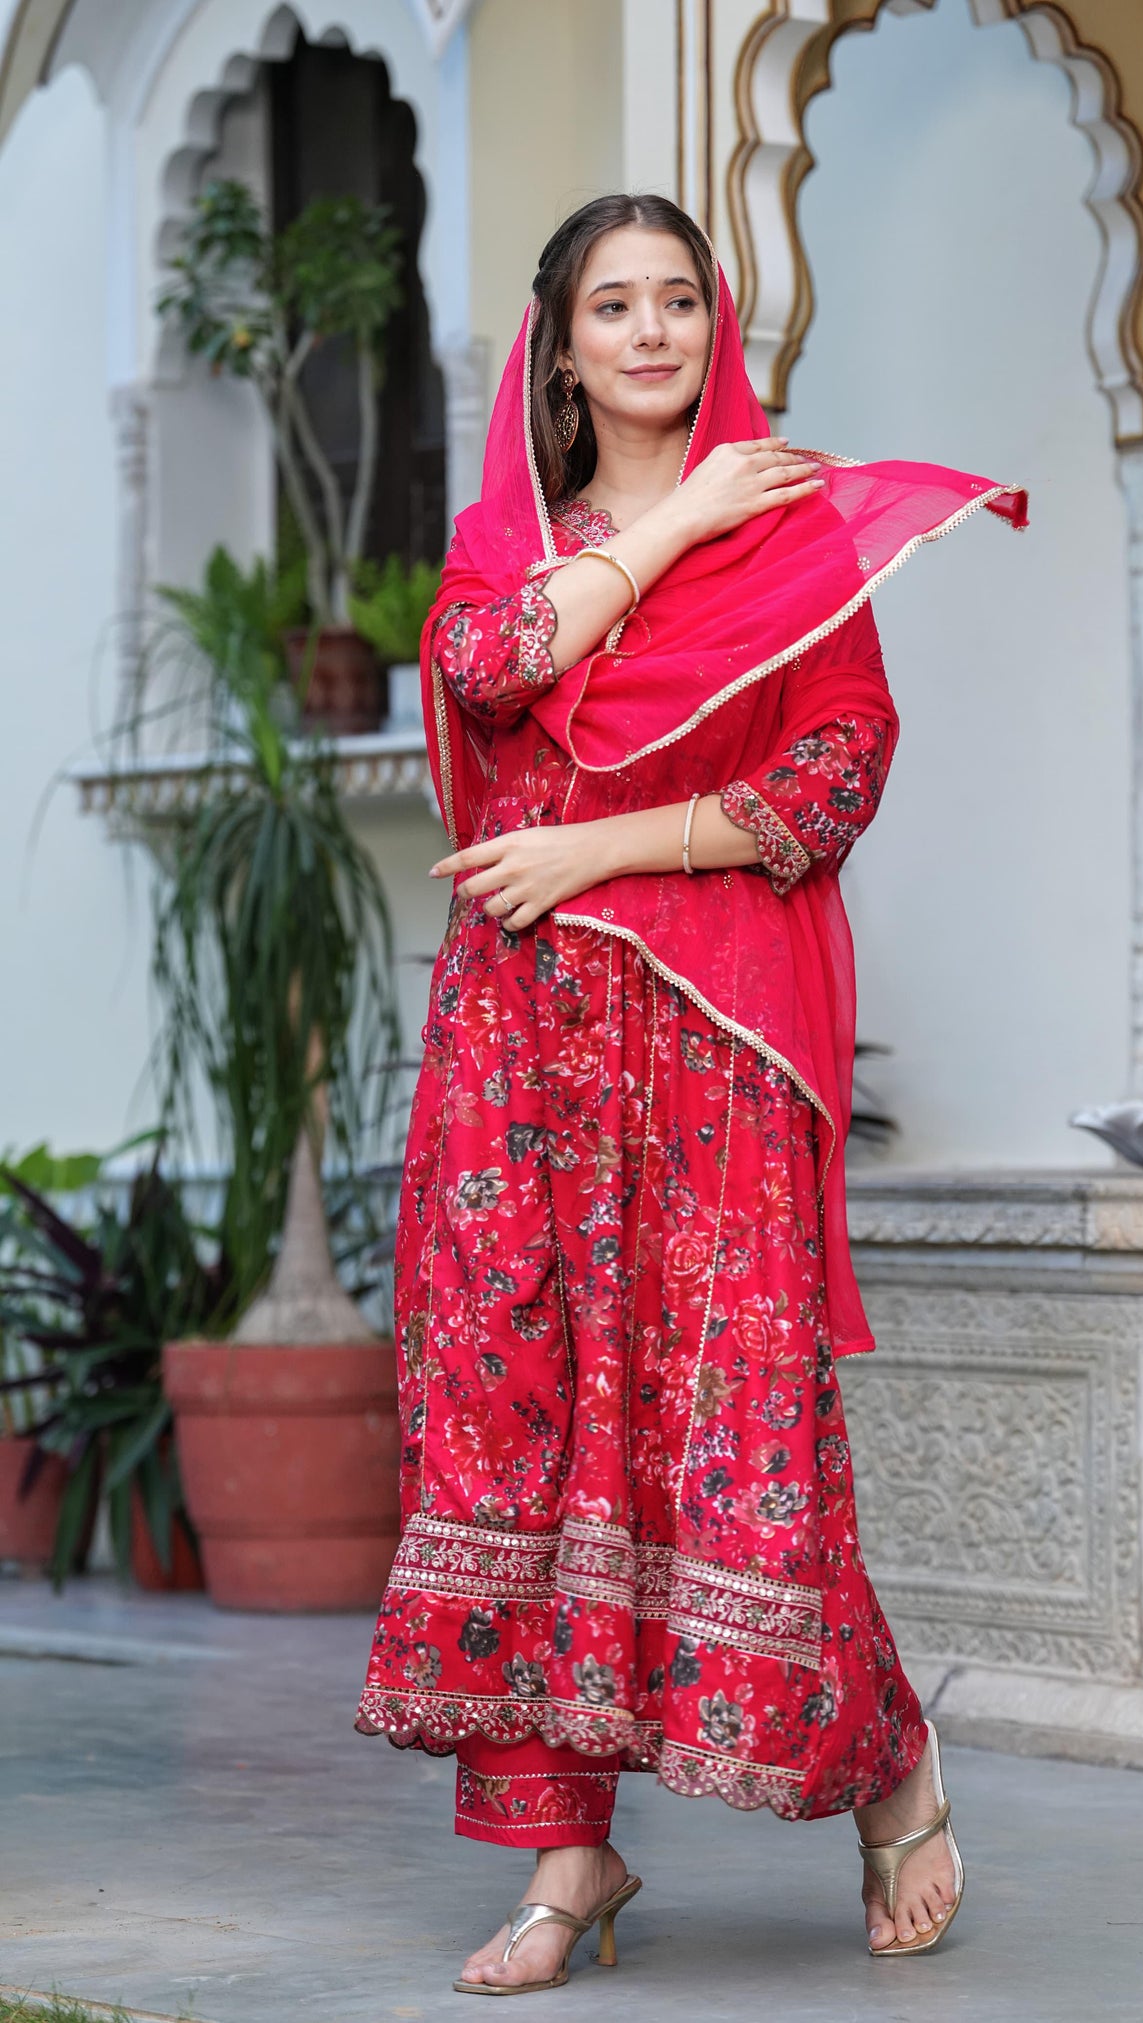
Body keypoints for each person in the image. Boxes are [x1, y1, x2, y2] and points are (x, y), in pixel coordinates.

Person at [356, 192, 1026, 1996]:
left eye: (677, 300)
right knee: (510, 1410)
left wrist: (597, 849)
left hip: (708, 1044)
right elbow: (491, 669)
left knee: (728, 1433)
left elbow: (831, 775)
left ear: (710, 326)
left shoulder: (793, 527)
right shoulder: (511, 543)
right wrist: (664, 539)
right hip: (516, 1051)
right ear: (557, 346)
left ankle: (890, 1767)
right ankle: (566, 1859)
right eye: (611, 306)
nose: (649, 331)